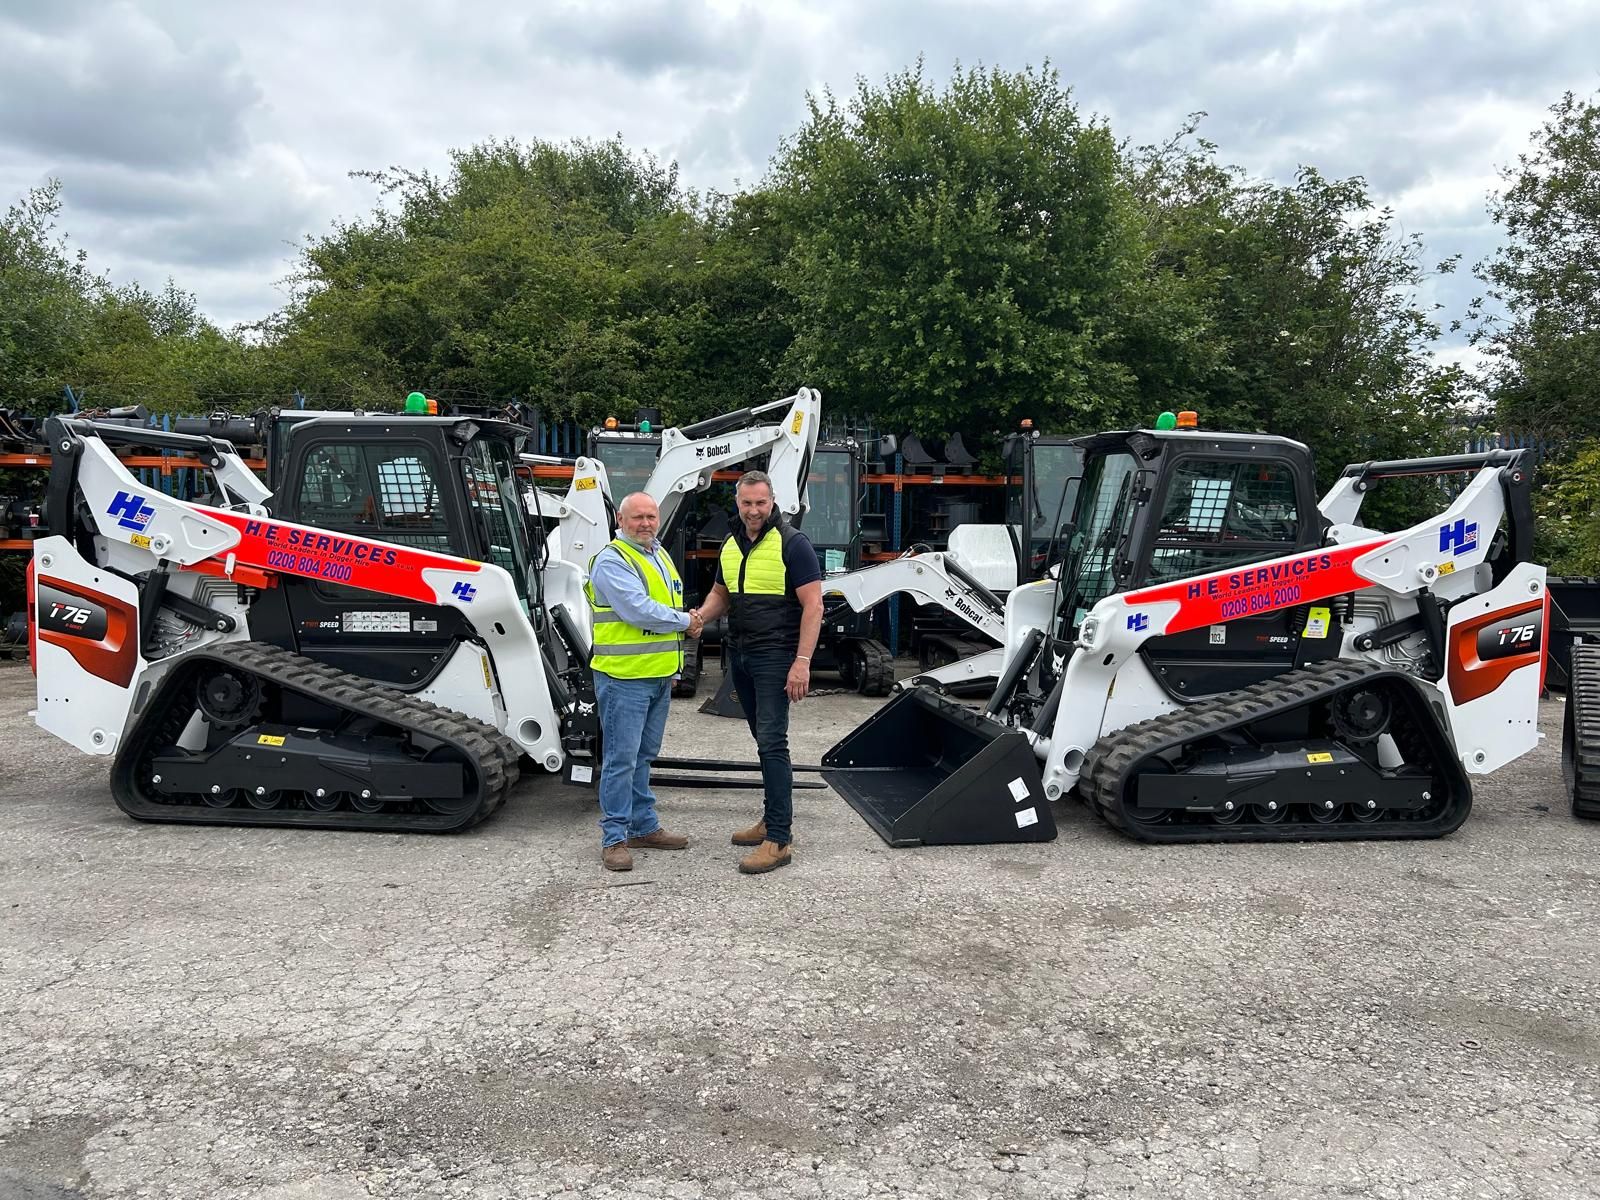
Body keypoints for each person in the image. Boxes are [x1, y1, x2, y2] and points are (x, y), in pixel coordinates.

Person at [692, 470, 823, 874]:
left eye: (760, 503)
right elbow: (721, 594)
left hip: (775, 657)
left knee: (772, 742)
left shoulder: (792, 543)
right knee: (761, 739)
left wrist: (801, 662)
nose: (753, 510)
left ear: (772, 502)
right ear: (737, 502)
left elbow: (813, 606)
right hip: (742, 655)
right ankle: (771, 818)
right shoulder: (731, 544)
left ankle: (779, 838)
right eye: (746, 503)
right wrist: (697, 618)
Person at [586, 492, 703, 872]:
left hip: (655, 677)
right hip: (623, 680)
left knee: (642, 756)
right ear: (620, 519)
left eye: (651, 516)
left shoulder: (658, 554)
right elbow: (638, 611)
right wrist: (687, 621)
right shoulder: (613, 560)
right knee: (621, 758)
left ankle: (643, 826)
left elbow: (661, 616)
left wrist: (672, 670)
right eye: (638, 517)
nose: (646, 523)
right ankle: (614, 838)